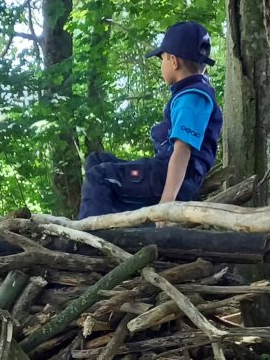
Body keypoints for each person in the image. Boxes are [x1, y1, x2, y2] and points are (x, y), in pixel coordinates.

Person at [78, 21, 223, 219]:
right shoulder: (191, 94)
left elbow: (182, 151)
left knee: (99, 177)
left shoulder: (192, 97)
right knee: (96, 161)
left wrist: (167, 203)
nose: (162, 65)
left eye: (161, 59)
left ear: (173, 61)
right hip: (164, 174)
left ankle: (91, 239)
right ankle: (116, 223)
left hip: (172, 178)